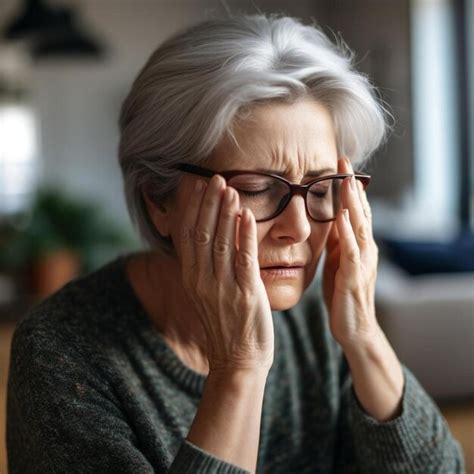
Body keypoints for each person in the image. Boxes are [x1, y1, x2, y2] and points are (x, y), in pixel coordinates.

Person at [7, 14, 464, 474]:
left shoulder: (318, 320)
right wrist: (239, 366)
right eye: (256, 188)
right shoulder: (60, 354)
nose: (301, 229)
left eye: (321, 189)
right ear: (158, 199)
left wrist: (364, 338)